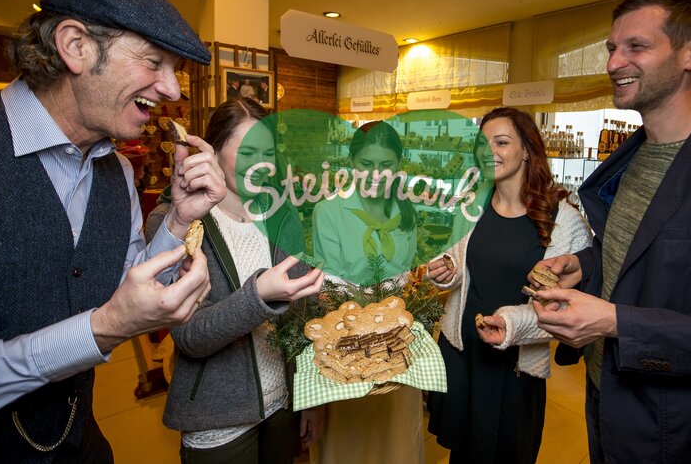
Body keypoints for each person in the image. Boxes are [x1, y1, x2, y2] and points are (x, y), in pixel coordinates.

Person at [0, 0, 225, 462]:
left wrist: (177, 220)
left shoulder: (118, 174)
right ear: (75, 46)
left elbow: (122, 288)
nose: (173, 90)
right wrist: (102, 328)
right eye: (154, 63)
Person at [530, 0, 691, 462]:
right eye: (612, 48)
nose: (615, 62)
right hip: (608, 406)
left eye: (637, 47)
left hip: (690, 432)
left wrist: (617, 324)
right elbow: (648, 255)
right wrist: (587, 266)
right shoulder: (632, 158)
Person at [153, 97, 326, 463]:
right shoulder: (179, 224)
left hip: (283, 406)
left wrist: (311, 398)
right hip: (219, 422)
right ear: (212, 153)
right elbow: (189, 337)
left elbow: (304, 316)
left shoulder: (282, 215)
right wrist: (260, 295)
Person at [423, 107, 592, 464]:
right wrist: (446, 269)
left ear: (528, 149)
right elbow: (451, 260)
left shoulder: (564, 220)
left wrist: (512, 325)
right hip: (461, 351)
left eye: (501, 142)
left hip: (515, 366)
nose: (489, 152)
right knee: (462, 455)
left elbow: (563, 308)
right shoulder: (468, 205)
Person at [311, 120, 424, 464]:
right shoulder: (329, 212)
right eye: (366, 164)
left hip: (398, 355)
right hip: (349, 353)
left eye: (386, 165)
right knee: (350, 446)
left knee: (397, 445)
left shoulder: (407, 214)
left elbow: (413, 286)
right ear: (352, 164)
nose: (376, 174)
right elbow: (331, 291)